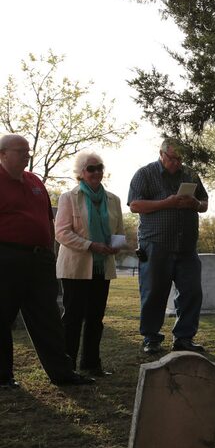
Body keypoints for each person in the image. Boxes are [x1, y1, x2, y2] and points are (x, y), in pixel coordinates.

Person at [0, 134, 94, 387]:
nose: (27, 155)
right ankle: (3, 377)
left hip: (39, 258)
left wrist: (49, 248)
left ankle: (62, 373)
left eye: (28, 151)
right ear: (3, 154)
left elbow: (46, 218)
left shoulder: (34, 181)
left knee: (48, 317)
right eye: (21, 151)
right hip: (6, 257)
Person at [127, 138, 209, 354]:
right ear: (161, 154)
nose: (177, 163)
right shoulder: (144, 174)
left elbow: (205, 203)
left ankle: (184, 337)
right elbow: (135, 205)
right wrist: (167, 203)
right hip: (155, 244)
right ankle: (151, 337)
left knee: (192, 291)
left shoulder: (190, 174)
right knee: (154, 292)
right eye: (172, 158)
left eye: (180, 158)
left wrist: (195, 204)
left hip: (186, 246)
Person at [55, 150, 125, 376]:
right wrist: (90, 245)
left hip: (102, 266)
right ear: (81, 173)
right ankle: (67, 367)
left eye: (99, 168)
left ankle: (91, 364)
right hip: (75, 267)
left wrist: (115, 245)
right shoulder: (69, 197)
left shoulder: (113, 199)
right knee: (73, 318)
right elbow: (62, 233)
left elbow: (119, 232)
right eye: (91, 168)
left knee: (96, 318)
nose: (96, 172)